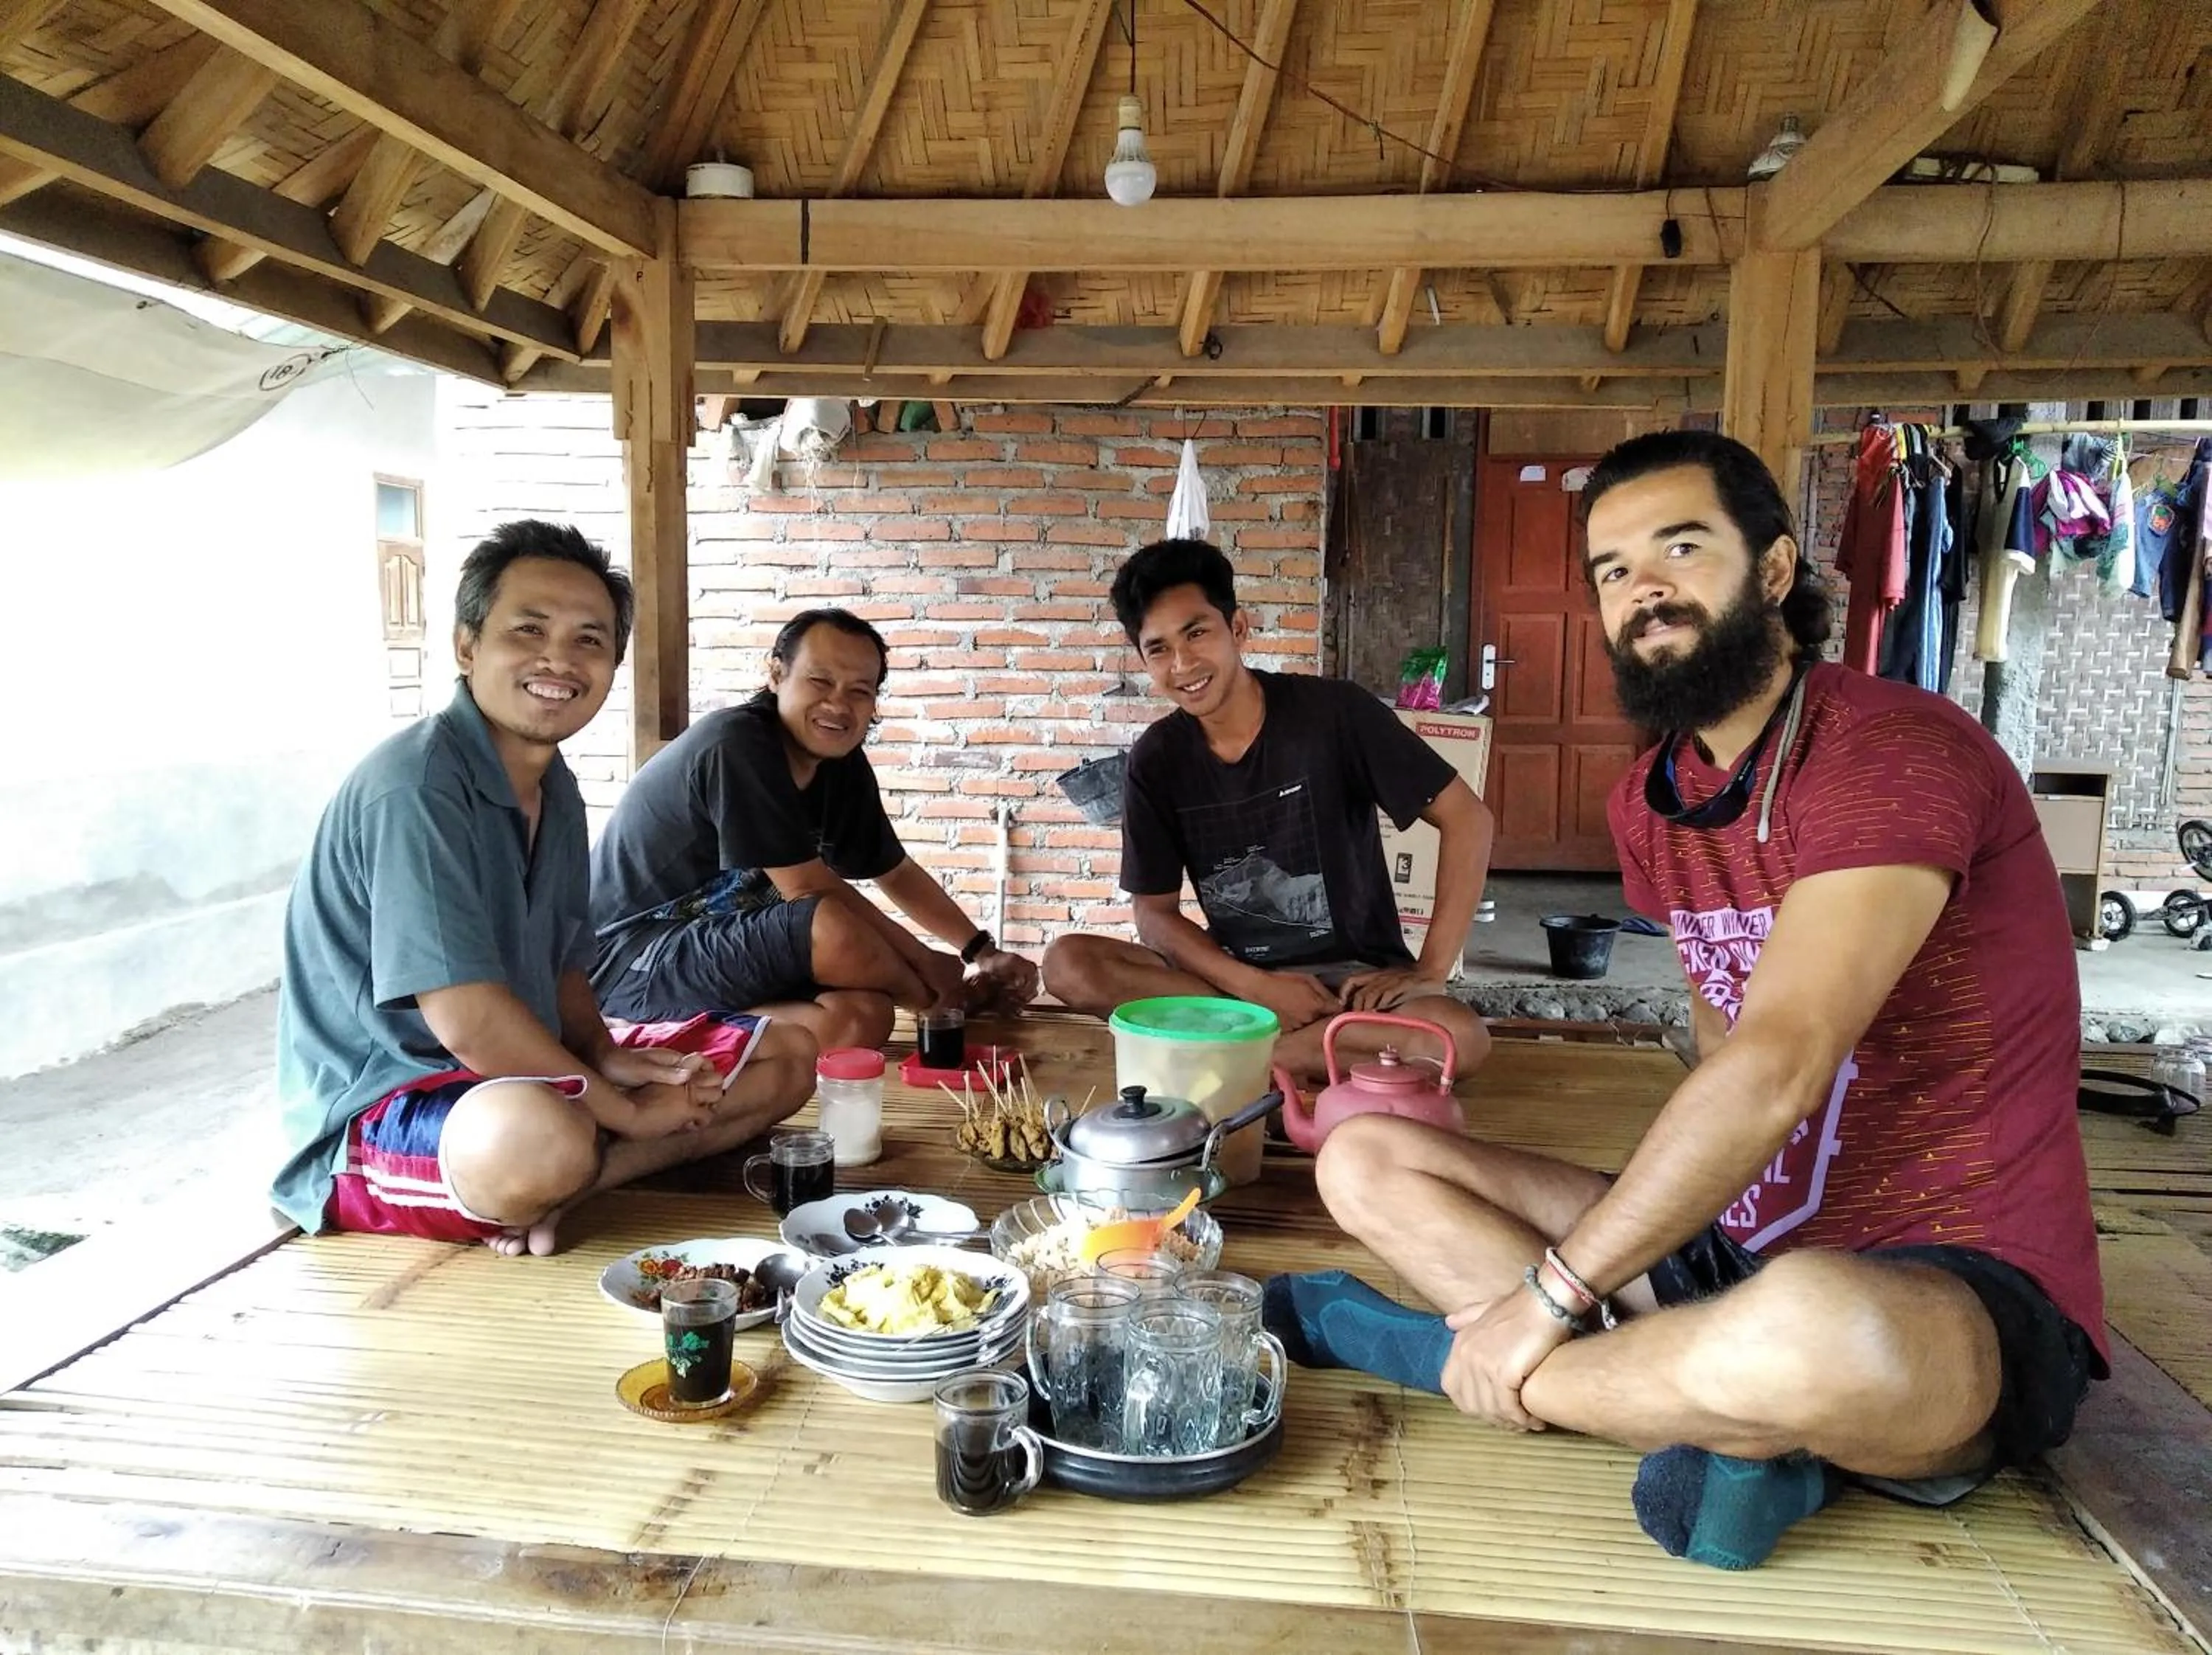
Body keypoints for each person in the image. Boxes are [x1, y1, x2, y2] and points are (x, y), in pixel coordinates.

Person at [1260, 431, 2107, 1570]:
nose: (1642, 589)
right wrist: (1642, 1248)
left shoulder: (1890, 752)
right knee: (1363, 1157)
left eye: (1682, 548)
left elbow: (1779, 1060)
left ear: (1773, 569)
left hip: (1952, 1286)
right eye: (1613, 570)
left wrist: (1551, 1296)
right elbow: (1718, 1037)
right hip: (1741, 1250)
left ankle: (1429, 1351)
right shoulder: (1653, 804)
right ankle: (1732, 1423)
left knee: (1810, 1329)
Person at [272, 521, 818, 1257]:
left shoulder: (554, 786)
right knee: (538, 1140)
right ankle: (560, 1169)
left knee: (787, 1055)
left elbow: (564, 968)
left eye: (589, 639)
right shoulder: (417, 788)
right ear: (467, 645)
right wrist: (625, 1110)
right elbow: (469, 1024)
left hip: (534, 1074)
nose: (559, 658)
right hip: (394, 1102)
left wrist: (605, 1054)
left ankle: (577, 1183)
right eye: (528, 630)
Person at [1043, 538, 1494, 1080]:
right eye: (1159, 649)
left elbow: (1468, 818)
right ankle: (1289, 1050)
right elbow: (1154, 915)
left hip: (1351, 989)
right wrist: (1254, 987)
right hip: (1233, 987)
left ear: (1237, 629)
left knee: (1460, 1038)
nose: (1183, 665)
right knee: (1069, 965)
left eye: (1197, 633)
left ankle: (1253, 1057)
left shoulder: (1335, 714)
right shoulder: (1156, 759)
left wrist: (1431, 969)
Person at [589, 608, 1040, 1049]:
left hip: (729, 951)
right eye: (820, 681)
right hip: (629, 958)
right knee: (829, 928)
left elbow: (895, 871)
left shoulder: (839, 764)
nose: (838, 705)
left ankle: (660, 1032)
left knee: (863, 1019)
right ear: (776, 674)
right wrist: (929, 981)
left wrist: (981, 952)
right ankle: (941, 1003)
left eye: (859, 691)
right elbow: (809, 891)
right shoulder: (737, 745)